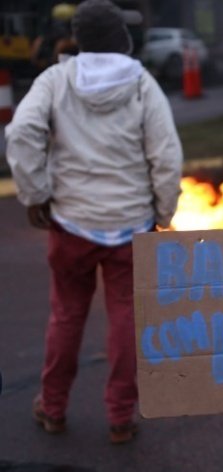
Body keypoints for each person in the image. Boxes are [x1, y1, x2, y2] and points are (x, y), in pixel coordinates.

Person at [5, 0, 183, 443]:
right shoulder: (142, 84)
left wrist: (35, 193)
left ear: (81, 38)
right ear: (120, 36)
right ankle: (121, 417)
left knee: (66, 316)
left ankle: (52, 407)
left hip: (71, 223)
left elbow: (21, 132)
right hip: (130, 225)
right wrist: (162, 212)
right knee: (126, 317)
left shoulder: (55, 79)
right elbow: (166, 155)